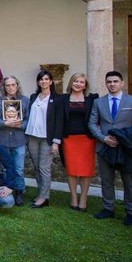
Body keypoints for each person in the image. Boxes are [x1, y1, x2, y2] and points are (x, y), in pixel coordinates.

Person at [89, 71, 132, 226]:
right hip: (105, 147)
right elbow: (92, 123)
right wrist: (104, 138)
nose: (112, 84)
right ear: (106, 83)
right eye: (109, 81)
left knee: (129, 181)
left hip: (126, 148)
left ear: (122, 83)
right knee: (106, 181)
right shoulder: (99, 103)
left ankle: (131, 212)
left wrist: (124, 137)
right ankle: (108, 208)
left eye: (115, 81)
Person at [56, 73, 98, 211]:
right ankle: (74, 197)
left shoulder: (92, 99)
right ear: (71, 83)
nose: (78, 84)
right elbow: (59, 120)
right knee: (72, 170)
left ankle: (84, 198)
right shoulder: (63, 99)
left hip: (87, 139)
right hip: (69, 139)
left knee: (86, 170)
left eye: (81, 82)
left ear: (85, 85)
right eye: (75, 81)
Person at [25, 70, 63, 209]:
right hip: (32, 136)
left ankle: (44, 197)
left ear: (51, 81)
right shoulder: (34, 96)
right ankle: (41, 193)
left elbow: (59, 121)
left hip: (47, 138)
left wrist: (56, 142)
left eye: (46, 79)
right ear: (38, 82)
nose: (44, 81)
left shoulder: (57, 99)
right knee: (36, 167)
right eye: (41, 79)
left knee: (44, 168)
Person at [0, 76, 29, 206]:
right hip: (3, 139)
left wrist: (20, 125)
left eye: (13, 85)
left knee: (19, 169)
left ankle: (19, 192)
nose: (11, 87)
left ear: (17, 85)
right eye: (8, 85)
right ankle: (6, 190)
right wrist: (4, 123)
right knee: (5, 168)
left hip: (19, 140)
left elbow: (29, 119)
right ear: (4, 87)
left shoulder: (25, 100)